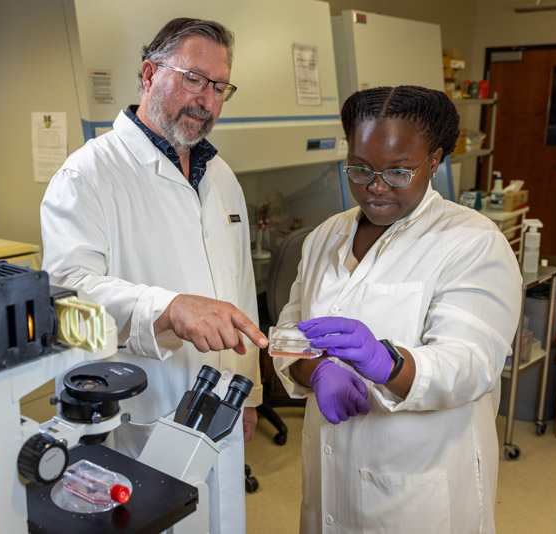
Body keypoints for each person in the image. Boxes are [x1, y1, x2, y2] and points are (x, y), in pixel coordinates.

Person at [40, 18, 266, 534]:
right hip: (143, 415)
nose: (206, 99)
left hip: (222, 403)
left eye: (218, 87)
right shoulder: (88, 174)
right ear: (148, 73)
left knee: (220, 521)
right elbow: (67, 297)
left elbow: (240, 289)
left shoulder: (221, 176)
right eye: (193, 79)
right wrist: (168, 308)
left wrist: (249, 393)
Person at [273, 85, 522, 533]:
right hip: (329, 474)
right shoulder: (326, 235)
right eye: (360, 169)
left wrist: (387, 362)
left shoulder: (473, 242)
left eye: (398, 173)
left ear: (435, 160)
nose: (374, 188)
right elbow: (290, 332)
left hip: (419, 486)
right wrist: (315, 371)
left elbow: (473, 363)